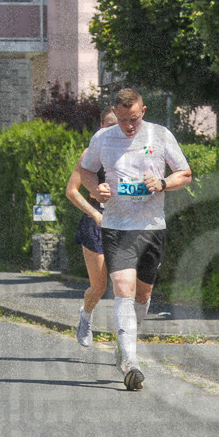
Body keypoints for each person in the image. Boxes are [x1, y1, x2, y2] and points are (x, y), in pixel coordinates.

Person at [79, 88, 192, 390]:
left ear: (143, 110)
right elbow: (86, 171)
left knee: (143, 296)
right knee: (123, 288)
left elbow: (185, 173)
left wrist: (164, 182)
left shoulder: (160, 135)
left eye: (134, 118)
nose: (129, 125)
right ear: (115, 114)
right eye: (123, 119)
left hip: (152, 226)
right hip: (116, 225)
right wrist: (96, 188)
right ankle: (130, 360)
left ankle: (124, 345)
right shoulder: (102, 139)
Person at [66, 106, 117, 347]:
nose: (114, 130)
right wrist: (95, 214)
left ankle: (124, 342)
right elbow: (72, 191)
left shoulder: (131, 154)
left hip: (125, 223)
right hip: (97, 222)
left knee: (125, 286)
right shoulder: (90, 154)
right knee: (99, 287)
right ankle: (86, 316)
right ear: (101, 128)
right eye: (109, 126)